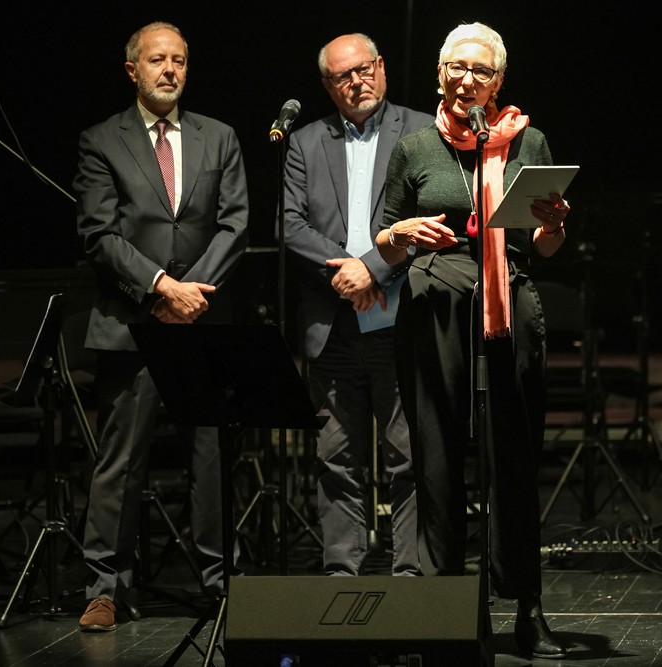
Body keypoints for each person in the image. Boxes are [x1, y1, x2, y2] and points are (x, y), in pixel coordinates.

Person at [375, 23, 570, 659]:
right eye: (457, 67)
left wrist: (550, 228)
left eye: (481, 71)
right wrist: (404, 230)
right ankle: (446, 607)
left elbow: (545, 245)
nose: (467, 79)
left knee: (511, 454)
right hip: (434, 296)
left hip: (506, 294)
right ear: (439, 75)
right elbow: (381, 239)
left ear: (498, 83)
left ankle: (526, 608)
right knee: (435, 457)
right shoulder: (413, 147)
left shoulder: (527, 139)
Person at [73, 22, 248, 632]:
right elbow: (99, 234)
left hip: (201, 321)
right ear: (133, 70)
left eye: (178, 60)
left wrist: (192, 292)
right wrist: (160, 288)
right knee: (120, 461)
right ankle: (106, 586)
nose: (169, 70)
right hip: (133, 321)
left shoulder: (219, 137)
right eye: (157, 60)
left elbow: (235, 225)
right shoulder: (101, 140)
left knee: (209, 458)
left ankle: (216, 581)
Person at [283, 33, 431, 577]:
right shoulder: (303, 142)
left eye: (364, 69)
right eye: (343, 76)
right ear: (328, 85)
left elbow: (432, 213)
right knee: (335, 458)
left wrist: (374, 267)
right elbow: (290, 225)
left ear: (382, 68)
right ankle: (340, 576)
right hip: (332, 321)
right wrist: (348, 272)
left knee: (408, 455)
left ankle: (410, 574)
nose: (357, 81)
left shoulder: (420, 129)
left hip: (401, 316)